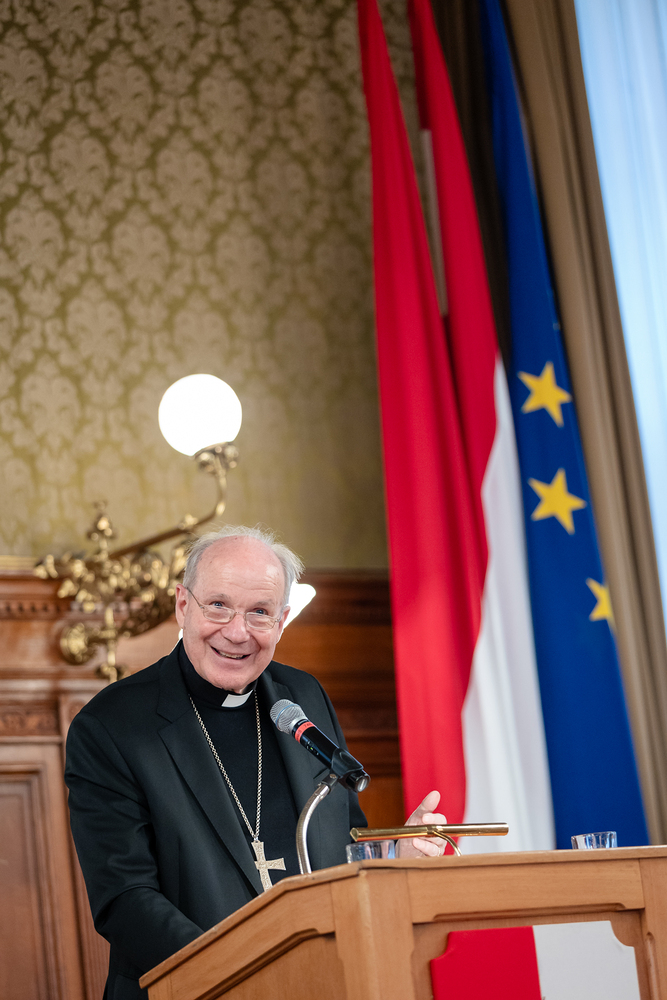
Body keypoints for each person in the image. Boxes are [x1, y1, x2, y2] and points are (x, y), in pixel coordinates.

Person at [65, 525, 446, 999]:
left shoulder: (302, 696)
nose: (237, 632)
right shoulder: (110, 725)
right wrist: (242, 975)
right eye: (218, 605)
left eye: (260, 612)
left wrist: (395, 858)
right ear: (183, 605)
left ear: (282, 621)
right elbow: (126, 900)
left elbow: (342, 841)